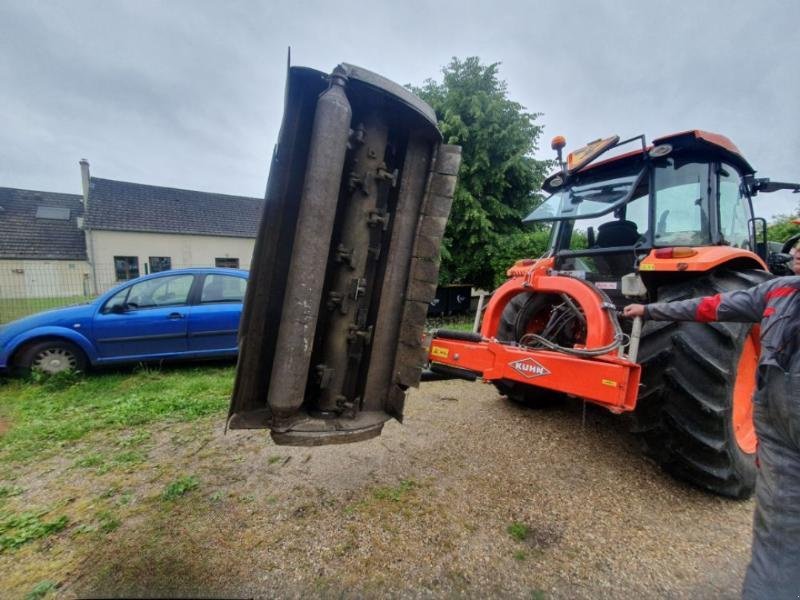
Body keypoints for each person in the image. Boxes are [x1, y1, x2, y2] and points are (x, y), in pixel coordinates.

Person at [623, 241, 800, 599]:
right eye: (798, 247)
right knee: (780, 534)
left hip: (777, 417)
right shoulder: (778, 289)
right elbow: (709, 306)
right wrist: (650, 310)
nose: (797, 252)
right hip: (777, 427)